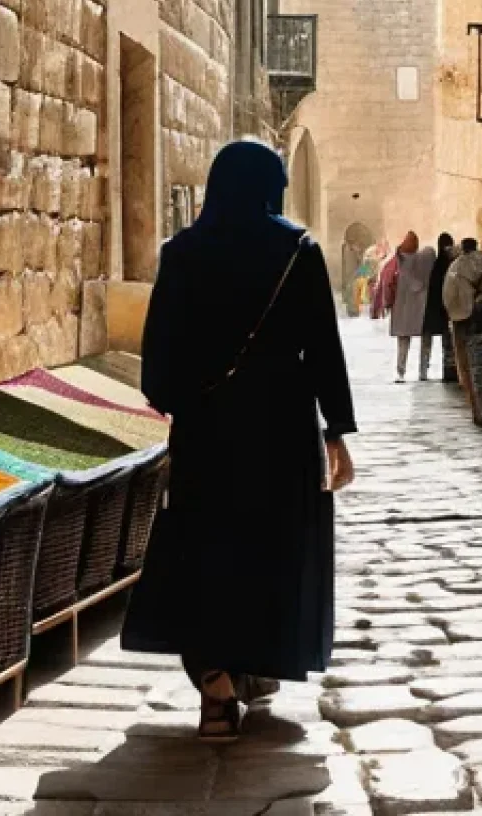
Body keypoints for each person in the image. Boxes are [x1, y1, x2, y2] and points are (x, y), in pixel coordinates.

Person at [123, 140, 357, 743]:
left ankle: (218, 692)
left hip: (207, 434)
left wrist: (186, 403)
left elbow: (157, 361)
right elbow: (322, 348)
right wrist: (337, 431)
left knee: (206, 551)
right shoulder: (298, 250)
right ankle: (256, 663)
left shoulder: (181, 253)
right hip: (281, 433)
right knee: (269, 551)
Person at [386, 231, 437, 382]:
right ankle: (423, 372)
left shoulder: (397, 262)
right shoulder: (425, 259)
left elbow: (388, 283)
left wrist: (387, 303)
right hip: (422, 308)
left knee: (403, 341)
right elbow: (431, 253)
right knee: (426, 339)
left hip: (402, 308)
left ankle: (400, 372)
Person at [422, 233, 458, 382]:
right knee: (447, 342)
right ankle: (448, 372)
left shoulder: (438, 265)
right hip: (444, 310)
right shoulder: (450, 265)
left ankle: (426, 372)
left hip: (437, 310)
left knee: (443, 342)